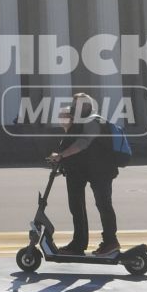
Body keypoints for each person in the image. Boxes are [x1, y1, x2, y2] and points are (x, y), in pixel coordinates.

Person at [48, 93, 119, 255]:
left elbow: (83, 142)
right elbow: (72, 139)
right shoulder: (81, 121)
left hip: (101, 171)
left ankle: (110, 241)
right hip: (85, 170)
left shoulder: (94, 120)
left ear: (87, 106)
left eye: (77, 105)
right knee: (77, 206)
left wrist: (62, 155)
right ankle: (78, 243)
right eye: (73, 105)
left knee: (103, 205)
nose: (74, 108)